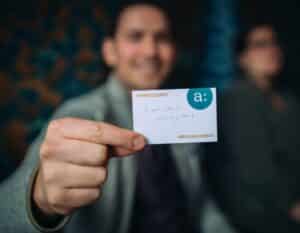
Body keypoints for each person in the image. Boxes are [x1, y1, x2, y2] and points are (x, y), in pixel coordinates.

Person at [0, 2, 219, 232]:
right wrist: (38, 198)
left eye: (162, 38)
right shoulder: (81, 115)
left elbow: (200, 204)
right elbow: (5, 212)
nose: (151, 50)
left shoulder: (186, 117)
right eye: (135, 37)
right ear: (110, 52)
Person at [205, 22, 300, 233]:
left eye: (274, 43)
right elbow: (255, 169)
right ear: (242, 58)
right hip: (264, 211)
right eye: (260, 45)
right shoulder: (239, 98)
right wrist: (291, 205)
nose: (271, 50)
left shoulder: (288, 98)